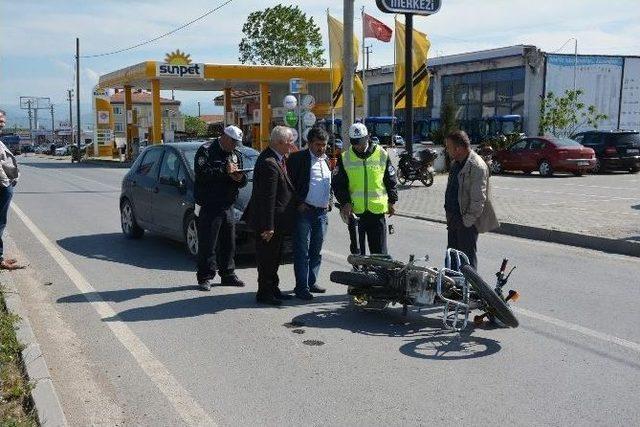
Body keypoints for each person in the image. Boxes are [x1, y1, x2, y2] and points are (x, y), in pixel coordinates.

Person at [242, 126, 296, 306]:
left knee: (275, 258)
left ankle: (273, 288)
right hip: (269, 224)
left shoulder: (278, 159)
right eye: (289, 141)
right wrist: (268, 226)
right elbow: (267, 198)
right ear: (279, 142)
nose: (292, 145)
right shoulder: (269, 162)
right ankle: (264, 292)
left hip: (278, 222)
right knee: (267, 259)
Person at [194, 125, 248, 290]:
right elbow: (202, 174)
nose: (235, 145)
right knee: (208, 243)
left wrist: (239, 178)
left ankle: (228, 274)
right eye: (233, 142)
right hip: (210, 204)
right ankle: (205, 276)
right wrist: (224, 171)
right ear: (224, 137)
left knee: (228, 242)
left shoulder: (236, 154)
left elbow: (243, 179)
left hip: (228, 204)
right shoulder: (206, 150)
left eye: (237, 143)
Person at [332, 123, 398, 255]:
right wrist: (345, 202)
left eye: (360, 142)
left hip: (376, 212)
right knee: (358, 253)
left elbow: (390, 179)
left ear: (368, 137)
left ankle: (379, 275)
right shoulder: (345, 158)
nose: (358, 146)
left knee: (379, 254)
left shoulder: (381, 154)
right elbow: (339, 184)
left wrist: (392, 200)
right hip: (355, 214)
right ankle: (359, 274)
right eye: (354, 143)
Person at [286, 126, 332, 300]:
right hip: (304, 212)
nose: (321, 148)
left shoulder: (327, 160)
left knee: (316, 250)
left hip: (322, 213)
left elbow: (329, 184)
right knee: (302, 251)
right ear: (310, 143)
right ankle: (301, 287)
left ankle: (312, 282)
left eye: (324, 144)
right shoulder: (298, 159)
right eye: (318, 144)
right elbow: (288, 183)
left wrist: (330, 202)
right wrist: (298, 202)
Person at [444, 130, 499, 269]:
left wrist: (466, 222)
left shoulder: (476, 166)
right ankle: (452, 289)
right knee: (452, 260)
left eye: (449, 147)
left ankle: (469, 289)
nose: (447, 150)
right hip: (454, 219)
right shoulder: (456, 163)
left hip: (466, 222)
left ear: (459, 148)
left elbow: (478, 199)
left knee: (466, 263)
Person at [0, 110, 21, 270]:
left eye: (3, 120)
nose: (2, 123)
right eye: (0, 120)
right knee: (0, 222)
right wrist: (5, 182)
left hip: (5, 184)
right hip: (2, 185)